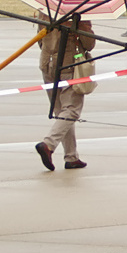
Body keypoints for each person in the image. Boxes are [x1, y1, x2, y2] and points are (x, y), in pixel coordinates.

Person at [35, 17, 93, 171]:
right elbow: (89, 44)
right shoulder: (79, 11)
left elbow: (40, 40)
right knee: (72, 110)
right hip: (69, 65)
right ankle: (49, 144)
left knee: (61, 112)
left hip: (47, 64)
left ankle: (71, 156)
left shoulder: (45, 10)